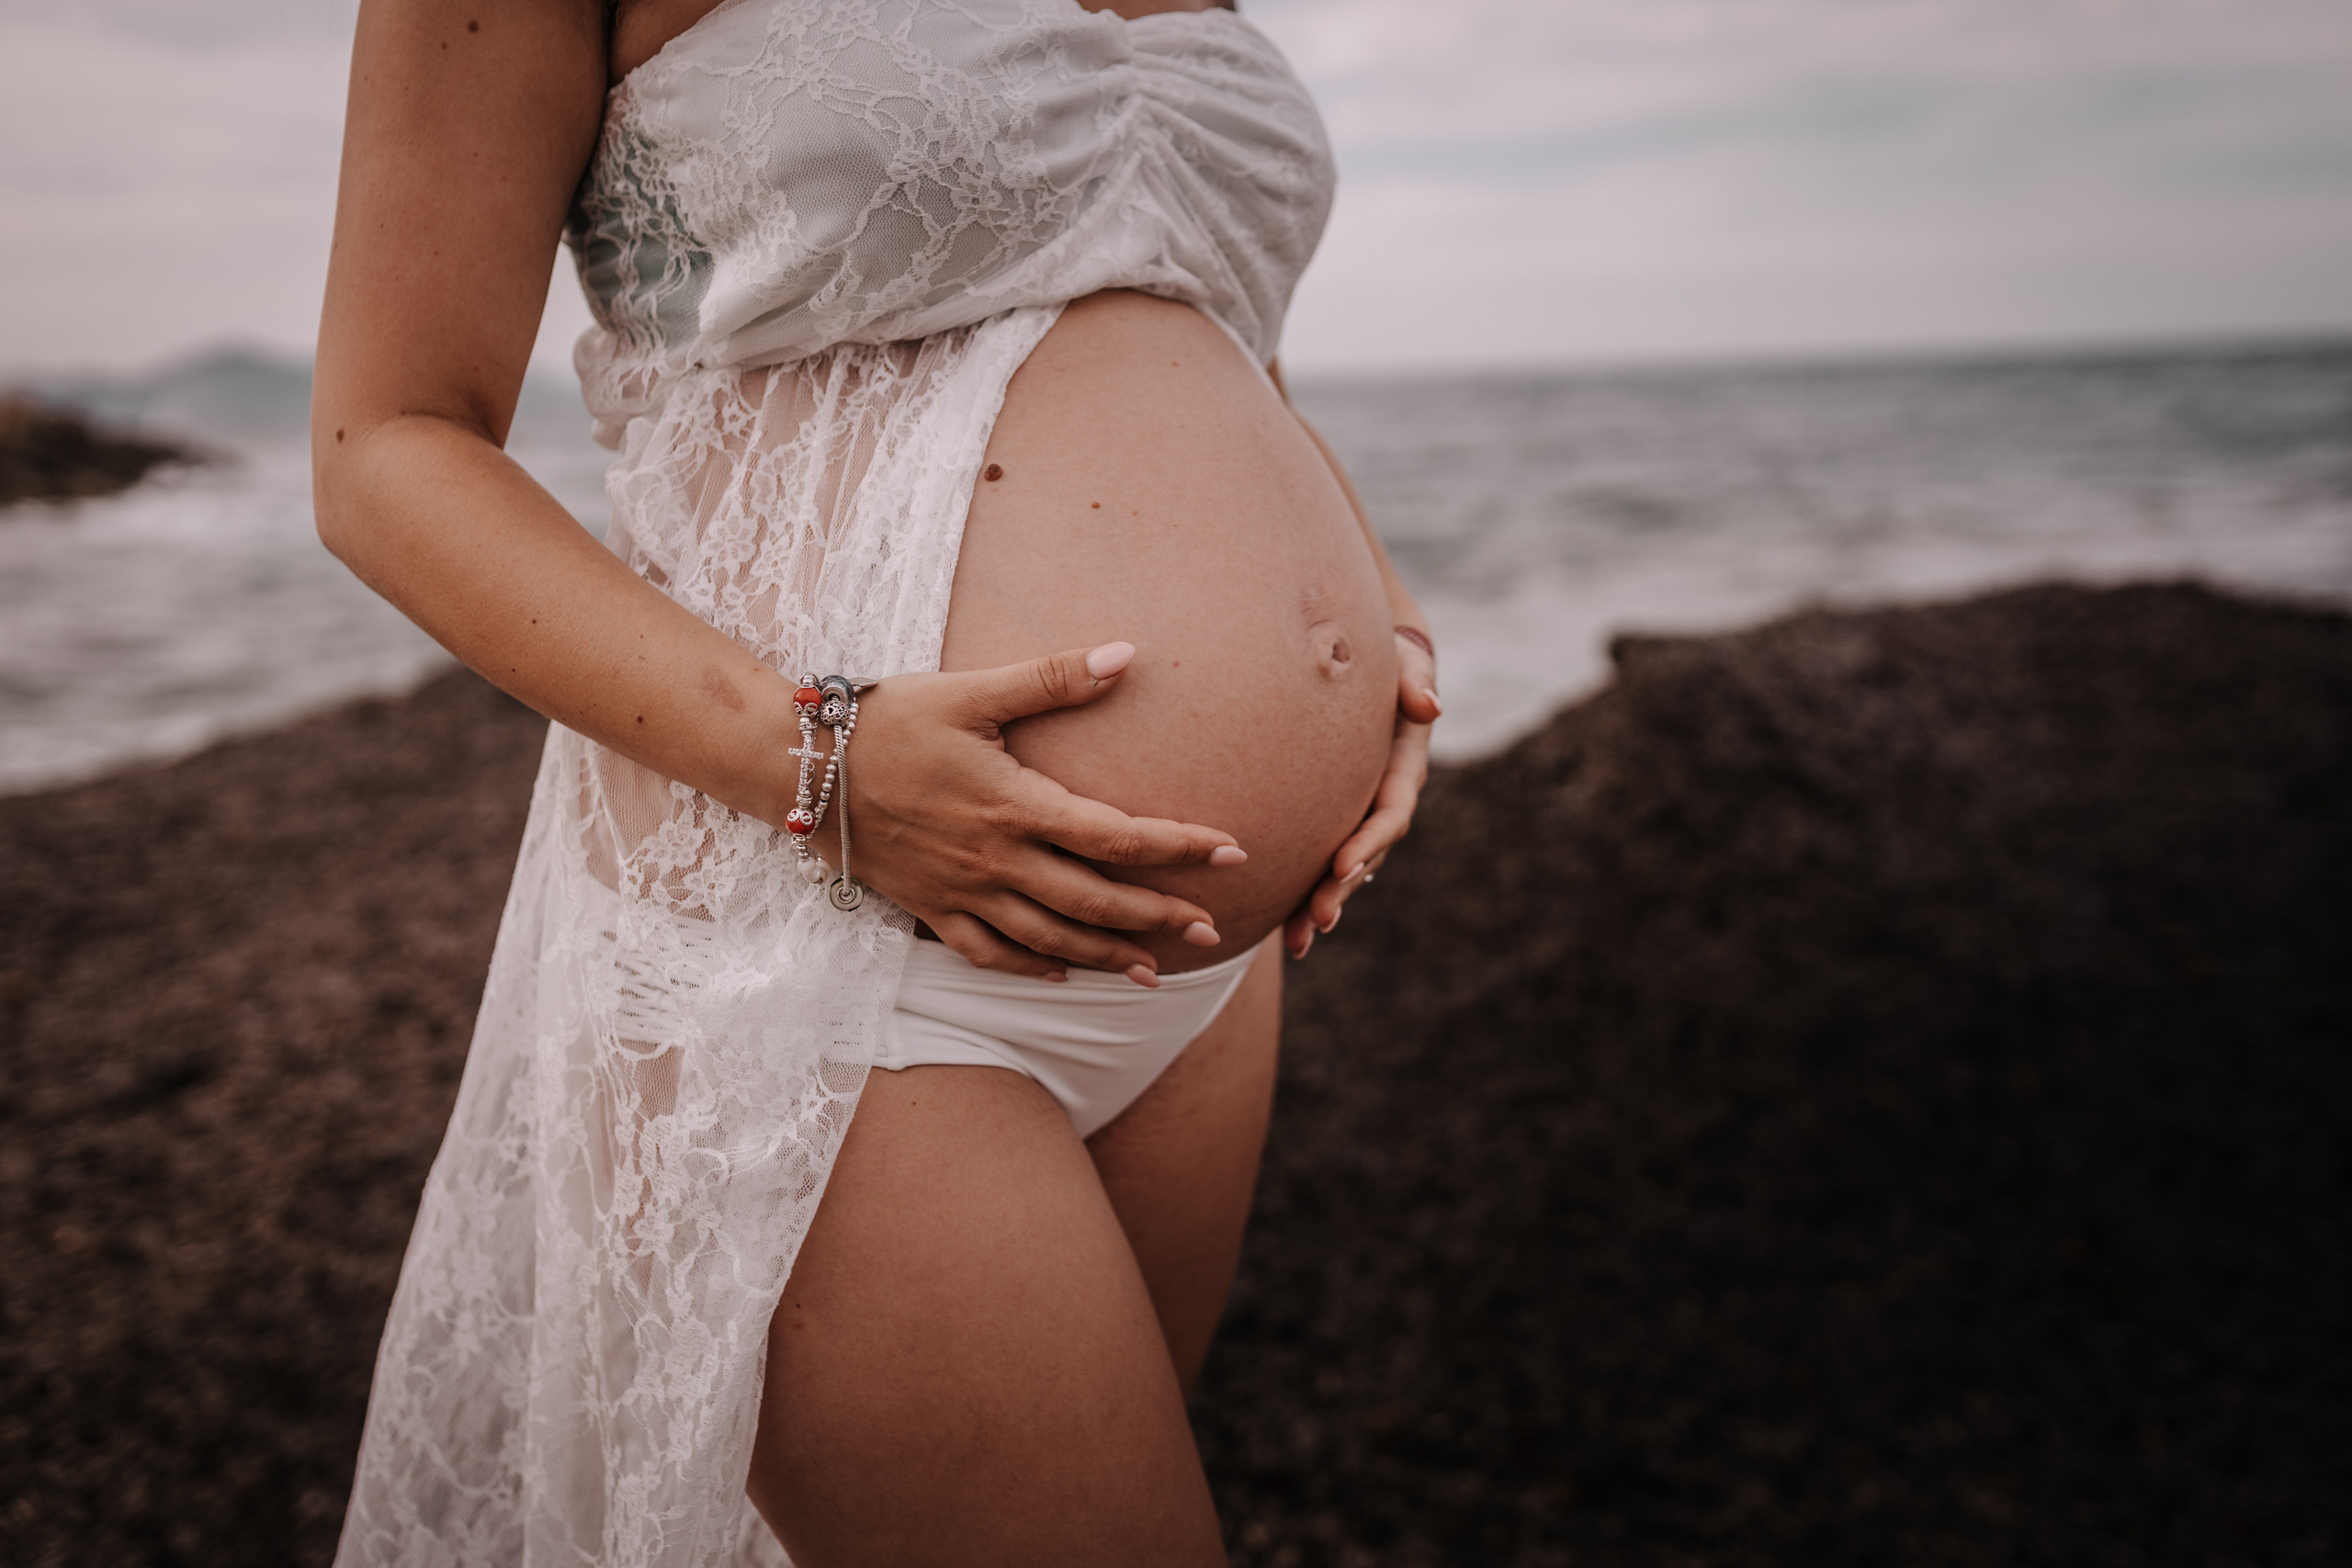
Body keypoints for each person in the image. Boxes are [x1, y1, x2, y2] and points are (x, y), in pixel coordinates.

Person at [312, 0, 1437, 1561]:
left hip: (1197, 982)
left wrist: (1375, 626)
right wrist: (822, 763)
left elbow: (1217, 324)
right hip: (831, 951)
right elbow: (386, 447)